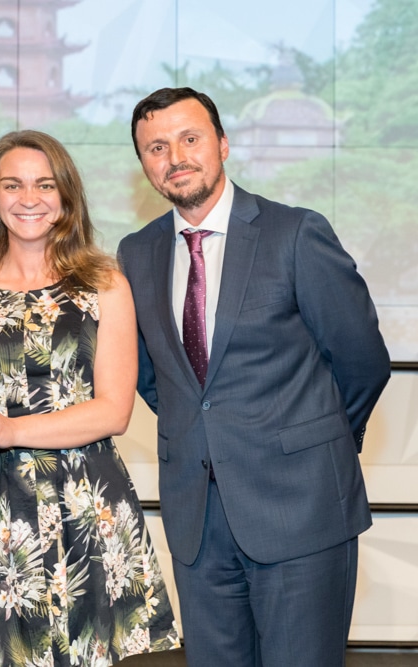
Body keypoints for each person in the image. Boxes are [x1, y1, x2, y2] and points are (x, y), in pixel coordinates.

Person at [117, 87, 391, 666]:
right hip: (197, 521)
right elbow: (152, 375)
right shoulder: (136, 253)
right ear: (143, 164)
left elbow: (362, 358)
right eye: (156, 147)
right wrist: (204, 433)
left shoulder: (294, 233)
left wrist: (320, 445)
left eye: (190, 139)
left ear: (222, 143)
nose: (176, 157)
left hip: (302, 510)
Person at [0, 130, 179, 666]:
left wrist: (11, 429)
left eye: (45, 184)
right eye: (12, 184)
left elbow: (114, 410)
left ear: (66, 197)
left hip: (85, 505)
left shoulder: (105, 284)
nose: (29, 198)